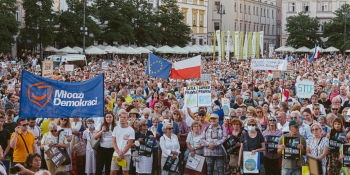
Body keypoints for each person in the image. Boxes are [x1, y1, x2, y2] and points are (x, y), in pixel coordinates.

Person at [111, 110, 135, 175]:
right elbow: (114, 142)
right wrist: (118, 152)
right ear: (119, 118)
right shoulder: (116, 128)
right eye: (121, 117)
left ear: (127, 119)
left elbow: (129, 144)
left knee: (125, 172)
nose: (122, 119)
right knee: (113, 172)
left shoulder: (131, 130)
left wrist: (122, 153)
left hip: (126, 154)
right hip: (116, 153)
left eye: (124, 117)